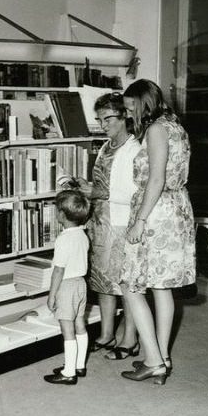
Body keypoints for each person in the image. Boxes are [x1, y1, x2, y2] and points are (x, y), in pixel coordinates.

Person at [119, 79, 195, 385]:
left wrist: (139, 220)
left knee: (130, 285)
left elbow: (155, 179)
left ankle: (152, 360)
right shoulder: (175, 125)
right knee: (162, 287)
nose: (128, 115)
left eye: (129, 108)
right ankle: (161, 356)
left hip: (155, 213)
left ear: (142, 104)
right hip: (176, 209)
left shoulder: (155, 129)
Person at [74, 93, 140, 360]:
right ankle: (106, 333)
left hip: (122, 224)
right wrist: (88, 189)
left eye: (108, 118)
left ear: (124, 116)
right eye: (99, 120)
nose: (103, 125)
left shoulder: (134, 149)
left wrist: (99, 193)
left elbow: (136, 194)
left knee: (126, 286)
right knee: (102, 282)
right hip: (101, 222)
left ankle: (130, 339)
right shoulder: (105, 147)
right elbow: (102, 185)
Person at [43, 189, 91, 385]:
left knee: (67, 329)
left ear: (62, 215)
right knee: (80, 324)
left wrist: (51, 294)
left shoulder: (63, 239)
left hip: (67, 286)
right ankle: (79, 365)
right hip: (81, 284)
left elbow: (58, 271)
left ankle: (68, 372)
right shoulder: (83, 235)